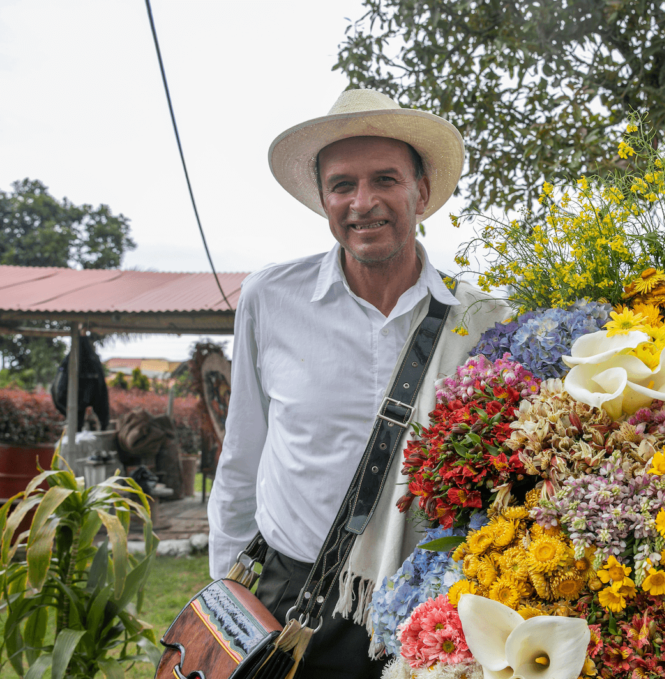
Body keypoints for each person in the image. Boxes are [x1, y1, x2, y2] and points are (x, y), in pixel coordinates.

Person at [208, 89, 507, 678]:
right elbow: (241, 456)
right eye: (342, 185)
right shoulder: (270, 299)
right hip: (288, 600)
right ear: (323, 199)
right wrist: (224, 592)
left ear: (421, 192)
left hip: (433, 608)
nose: (362, 202)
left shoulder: (483, 321)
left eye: (385, 179)